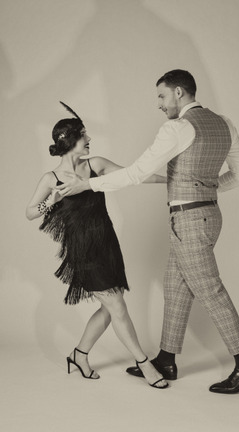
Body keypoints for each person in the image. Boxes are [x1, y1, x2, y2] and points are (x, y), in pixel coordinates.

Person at [56, 70, 239, 394]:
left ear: (179, 93)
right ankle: (167, 359)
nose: (159, 104)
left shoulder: (177, 127)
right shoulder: (225, 122)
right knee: (174, 285)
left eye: (162, 96)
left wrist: (88, 184)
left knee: (210, 291)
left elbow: (138, 173)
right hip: (208, 215)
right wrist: (208, 191)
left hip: (189, 220)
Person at [26, 102, 168, 389]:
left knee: (109, 308)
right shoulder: (51, 178)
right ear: (70, 141)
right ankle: (144, 363)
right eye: (84, 136)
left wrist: (173, 181)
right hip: (83, 250)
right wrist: (49, 202)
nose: (89, 140)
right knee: (115, 305)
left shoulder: (96, 164)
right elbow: (30, 212)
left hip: (106, 242)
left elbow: (134, 175)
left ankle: (79, 355)